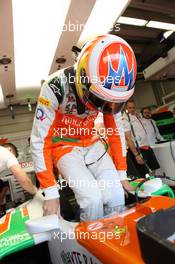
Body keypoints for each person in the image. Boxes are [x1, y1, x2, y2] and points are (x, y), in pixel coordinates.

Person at [31, 34, 137, 221]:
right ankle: (89, 241)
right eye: (100, 99)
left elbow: (116, 132)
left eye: (113, 102)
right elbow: (40, 141)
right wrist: (51, 192)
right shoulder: (55, 87)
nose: (106, 106)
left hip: (92, 142)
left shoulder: (114, 91)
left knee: (116, 197)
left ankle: (115, 238)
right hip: (64, 147)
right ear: (82, 77)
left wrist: (122, 174)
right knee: (92, 200)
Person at [123, 100, 160, 178]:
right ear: (126, 108)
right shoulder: (125, 119)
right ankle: (147, 187)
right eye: (129, 108)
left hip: (147, 146)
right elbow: (128, 138)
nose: (132, 109)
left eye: (133, 107)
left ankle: (153, 184)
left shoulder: (137, 116)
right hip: (138, 149)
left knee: (154, 168)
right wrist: (136, 155)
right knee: (144, 173)